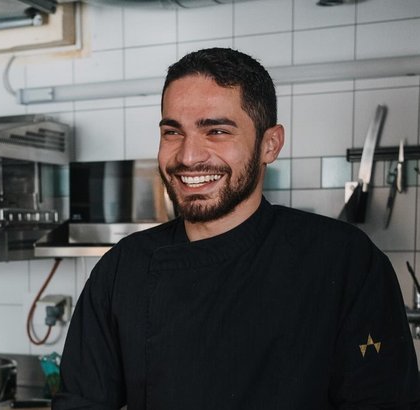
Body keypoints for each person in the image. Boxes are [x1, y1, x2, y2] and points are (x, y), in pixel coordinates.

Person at [52, 48, 420, 409]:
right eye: (172, 132)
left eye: (216, 131)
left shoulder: (345, 260)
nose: (189, 156)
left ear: (269, 144)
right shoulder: (122, 268)